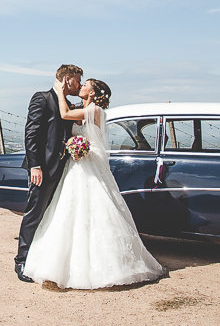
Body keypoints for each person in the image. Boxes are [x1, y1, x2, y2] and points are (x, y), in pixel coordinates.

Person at [22, 77, 166, 289]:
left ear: (92, 92)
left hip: (90, 164)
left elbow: (65, 115)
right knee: (70, 211)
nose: (81, 87)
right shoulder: (82, 108)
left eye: (85, 85)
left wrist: (60, 91)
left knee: (97, 209)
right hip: (75, 165)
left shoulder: (96, 111)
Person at [15, 64, 83, 282]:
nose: (78, 85)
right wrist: (35, 165)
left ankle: (40, 259)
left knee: (51, 215)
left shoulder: (68, 105)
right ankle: (22, 260)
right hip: (42, 169)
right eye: (77, 80)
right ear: (66, 79)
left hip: (62, 169)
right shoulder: (42, 98)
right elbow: (32, 133)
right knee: (35, 212)